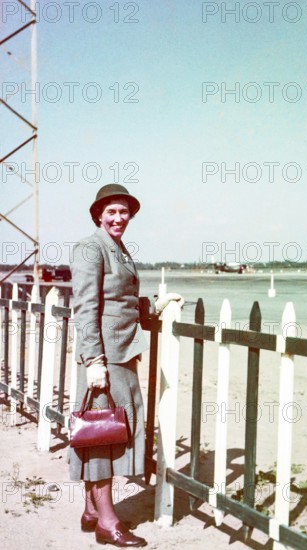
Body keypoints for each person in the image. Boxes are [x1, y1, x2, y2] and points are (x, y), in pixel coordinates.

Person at [69, 184, 182, 547]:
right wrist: (95, 361)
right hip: (104, 356)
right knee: (103, 438)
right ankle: (107, 522)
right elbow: (85, 307)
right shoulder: (91, 247)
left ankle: (91, 509)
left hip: (121, 354)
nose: (119, 218)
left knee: (107, 432)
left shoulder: (118, 248)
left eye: (124, 212)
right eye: (112, 212)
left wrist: (155, 305)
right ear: (98, 214)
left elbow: (121, 300)